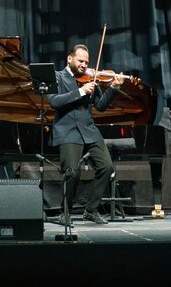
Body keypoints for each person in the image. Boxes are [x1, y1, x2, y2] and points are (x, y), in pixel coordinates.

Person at [48, 44, 124, 226]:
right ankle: (63, 213)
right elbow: (53, 101)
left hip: (89, 130)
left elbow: (100, 106)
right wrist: (81, 91)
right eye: (80, 61)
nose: (84, 65)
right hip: (67, 130)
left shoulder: (91, 79)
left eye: (86, 62)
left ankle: (90, 210)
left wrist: (113, 88)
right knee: (72, 172)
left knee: (107, 166)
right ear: (69, 58)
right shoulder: (58, 77)